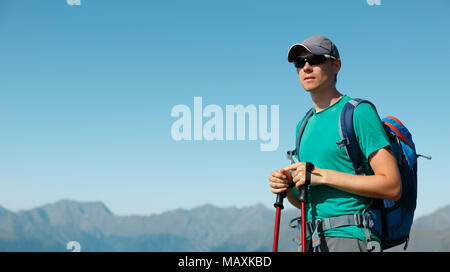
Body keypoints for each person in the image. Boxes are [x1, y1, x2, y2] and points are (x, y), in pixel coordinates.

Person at [268, 35, 402, 252]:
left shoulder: (358, 113)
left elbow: (392, 186)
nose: (306, 67)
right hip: (311, 239)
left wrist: (323, 176)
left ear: (336, 65)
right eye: (300, 63)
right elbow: (309, 199)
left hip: (351, 237)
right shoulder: (303, 125)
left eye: (316, 59)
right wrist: (287, 186)